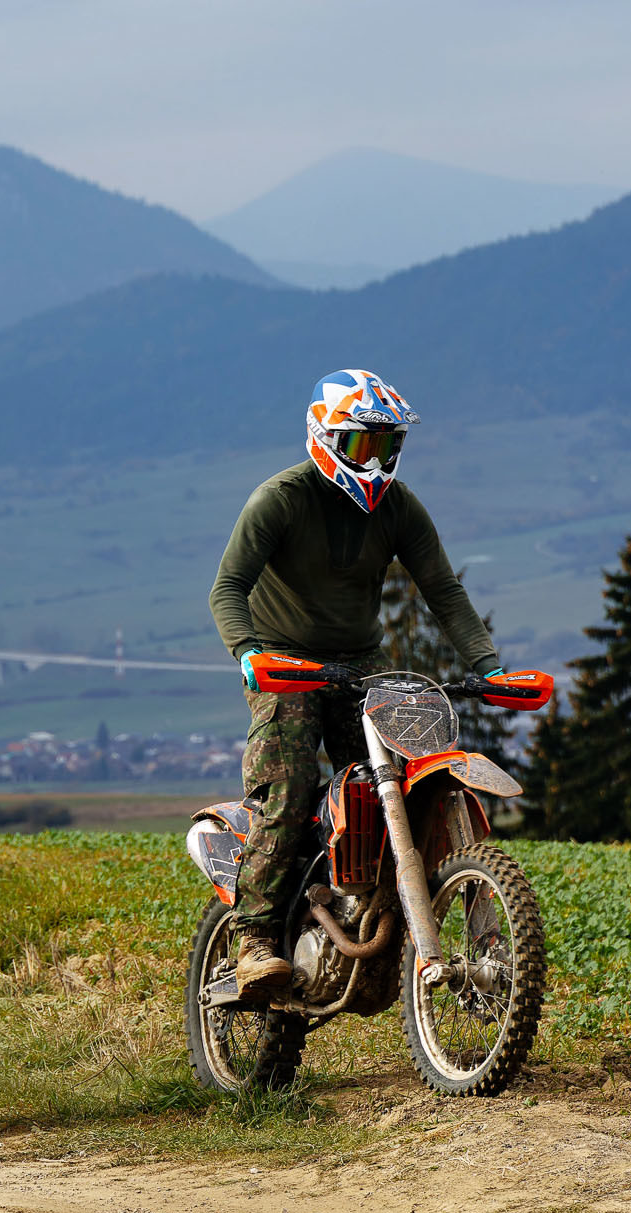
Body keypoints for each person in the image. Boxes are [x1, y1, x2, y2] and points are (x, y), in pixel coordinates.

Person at [208, 369, 503, 1000]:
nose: (376, 460)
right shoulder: (280, 499)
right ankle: (254, 937)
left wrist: (489, 665)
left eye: (387, 446)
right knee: (291, 782)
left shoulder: (399, 507)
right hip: (285, 664)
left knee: (400, 783)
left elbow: (444, 591)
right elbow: (227, 588)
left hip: (361, 663)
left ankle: (380, 922)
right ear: (324, 438)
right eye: (363, 444)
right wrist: (249, 652)